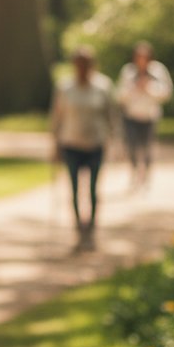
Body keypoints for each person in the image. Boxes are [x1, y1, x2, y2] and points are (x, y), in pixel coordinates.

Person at [51, 45, 119, 251]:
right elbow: (57, 117)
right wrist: (55, 145)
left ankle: (91, 230)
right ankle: (78, 229)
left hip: (95, 144)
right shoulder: (65, 87)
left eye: (85, 64)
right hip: (71, 144)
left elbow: (111, 116)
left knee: (92, 190)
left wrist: (115, 141)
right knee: (73, 189)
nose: (82, 68)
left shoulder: (103, 86)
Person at [116, 41, 173, 190]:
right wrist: (133, 88)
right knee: (132, 146)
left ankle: (146, 175)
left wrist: (149, 88)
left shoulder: (158, 71)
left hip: (150, 116)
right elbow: (119, 94)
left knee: (148, 147)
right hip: (131, 115)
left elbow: (167, 92)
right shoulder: (128, 71)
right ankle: (134, 172)